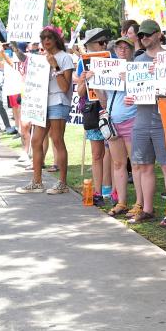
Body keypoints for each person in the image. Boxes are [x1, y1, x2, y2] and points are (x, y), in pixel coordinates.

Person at [16, 26, 74, 194]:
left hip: (59, 101)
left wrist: (55, 66)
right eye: (43, 38)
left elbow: (65, 87)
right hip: (42, 102)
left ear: (56, 39)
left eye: (49, 37)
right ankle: (37, 182)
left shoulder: (65, 58)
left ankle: (62, 183)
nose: (46, 40)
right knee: (36, 141)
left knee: (57, 139)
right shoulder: (41, 59)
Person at [124, 19, 166, 224]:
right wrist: (130, 97)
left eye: (148, 34)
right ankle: (147, 209)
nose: (144, 38)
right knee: (143, 165)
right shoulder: (138, 61)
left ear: (158, 34)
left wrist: (162, 73)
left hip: (164, 120)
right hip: (142, 118)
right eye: (141, 35)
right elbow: (134, 90)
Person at [101, 37, 141, 217]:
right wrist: (94, 82)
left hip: (132, 120)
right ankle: (122, 202)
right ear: (115, 50)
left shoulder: (137, 69)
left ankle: (139, 203)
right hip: (112, 123)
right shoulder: (109, 69)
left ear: (132, 50)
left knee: (136, 164)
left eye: (126, 47)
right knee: (118, 163)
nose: (122, 50)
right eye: (119, 47)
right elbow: (104, 100)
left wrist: (130, 80)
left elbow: (144, 93)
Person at [76, 27, 113, 206]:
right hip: (93, 110)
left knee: (112, 152)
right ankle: (97, 192)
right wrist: (85, 79)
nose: (103, 45)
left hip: (111, 109)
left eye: (105, 42)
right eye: (100, 42)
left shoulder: (112, 59)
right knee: (97, 153)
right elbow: (80, 92)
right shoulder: (82, 62)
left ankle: (109, 189)